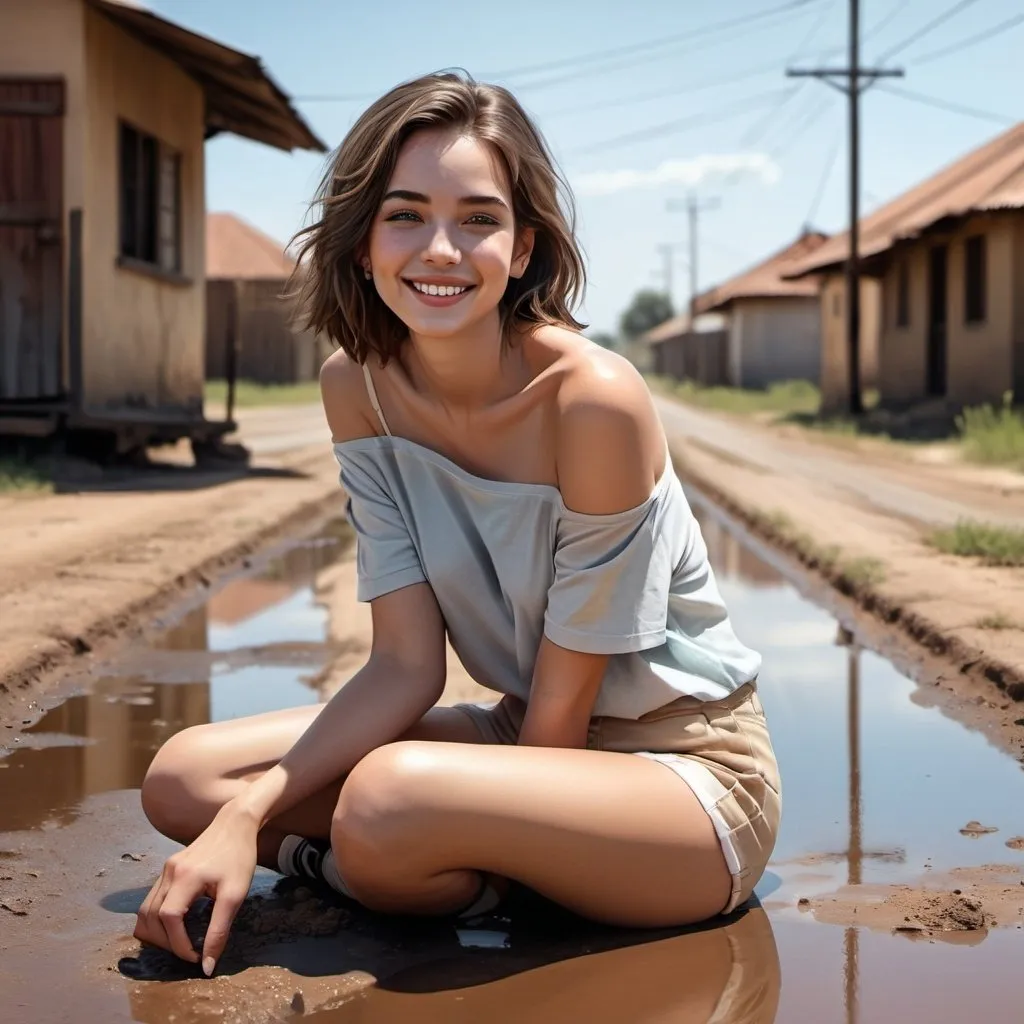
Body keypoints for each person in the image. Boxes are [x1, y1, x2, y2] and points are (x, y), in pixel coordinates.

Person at [133, 70, 781, 978]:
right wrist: (242, 820)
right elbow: (405, 664)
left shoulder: (593, 400)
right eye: (405, 214)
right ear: (362, 243)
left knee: (385, 804)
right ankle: (401, 871)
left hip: (682, 778)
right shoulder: (353, 388)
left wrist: (409, 817)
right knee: (188, 780)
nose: (440, 248)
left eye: (478, 218)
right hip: (521, 740)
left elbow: (565, 710)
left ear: (521, 250)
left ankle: (394, 868)